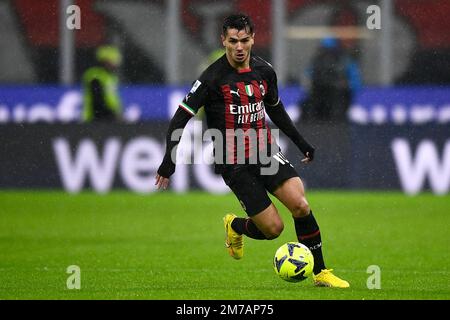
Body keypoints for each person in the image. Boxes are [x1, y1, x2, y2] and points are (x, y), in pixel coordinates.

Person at [155, 14, 349, 288]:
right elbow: (180, 118)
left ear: (253, 39)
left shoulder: (264, 71)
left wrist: (300, 141)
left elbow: (275, 109)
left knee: (300, 205)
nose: (239, 47)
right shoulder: (212, 78)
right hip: (232, 160)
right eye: (233, 41)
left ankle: (321, 272)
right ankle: (235, 226)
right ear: (223, 40)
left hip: (264, 152)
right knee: (273, 229)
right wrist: (168, 161)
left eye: (244, 40)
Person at [299, 36, 362, 123]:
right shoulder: (343, 59)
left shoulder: (341, 60)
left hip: (330, 98)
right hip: (328, 99)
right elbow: (355, 81)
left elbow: (306, 78)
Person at [82, 45, 123, 122]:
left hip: (108, 119)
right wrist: (111, 115)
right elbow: (97, 101)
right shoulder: (95, 76)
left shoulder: (110, 77)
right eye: (113, 61)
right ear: (105, 61)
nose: (115, 65)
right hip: (96, 119)